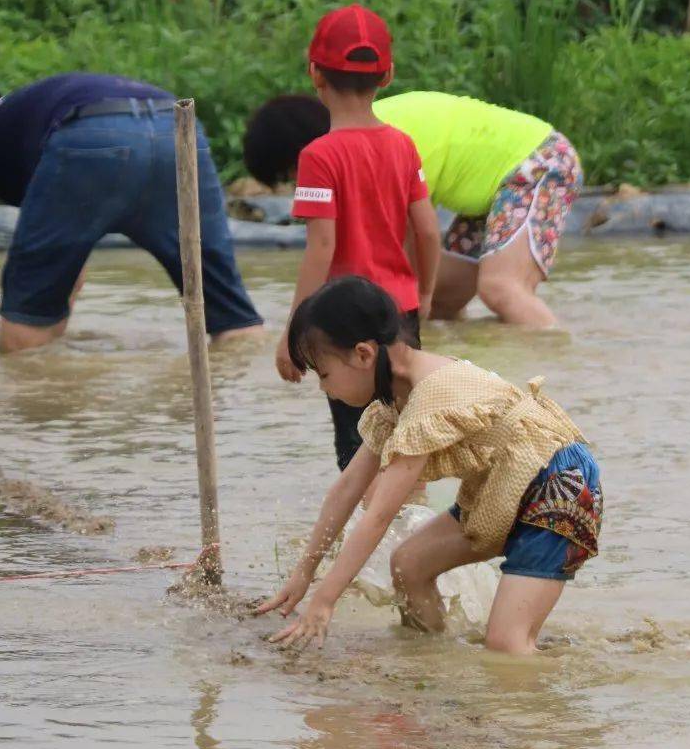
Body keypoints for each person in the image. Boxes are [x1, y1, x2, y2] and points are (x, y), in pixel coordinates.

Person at [257, 276, 601, 655]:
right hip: (502, 490)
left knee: (506, 645)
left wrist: (324, 601)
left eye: (323, 374)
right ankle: (433, 660)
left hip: (558, 486)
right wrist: (304, 572)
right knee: (410, 565)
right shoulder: (396, 397)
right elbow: (348, 487)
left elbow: (378, 516)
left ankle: (563, 692)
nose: (324, 388)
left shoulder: (430, 395)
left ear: (363, 354)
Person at [0, 72, 262, 353]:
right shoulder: (29, 116)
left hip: (89, 134)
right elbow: (70, 269)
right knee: (235, 323)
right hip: (175, 123)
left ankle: (39, 428)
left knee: (23, 336)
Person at [244, 90, 581, 330]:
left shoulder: (368, 149)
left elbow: (407, 238)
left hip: (538, 161)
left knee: (501, 289)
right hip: (495, 188)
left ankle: (557, 368)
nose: (301, 182)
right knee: (442, 302)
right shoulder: (357, 135)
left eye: (292, 174)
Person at [276, 6, 441, 470]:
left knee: (358, 442)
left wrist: (293, 333)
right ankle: (410, 522)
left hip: (342, 315)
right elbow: (428, 230)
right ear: (387, 75)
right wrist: (424, 292)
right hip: (400, 309)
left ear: (314, 73)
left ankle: (359, 537)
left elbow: (322, 247)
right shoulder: (403, 145)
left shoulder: (318, 156)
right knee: (408, 434)